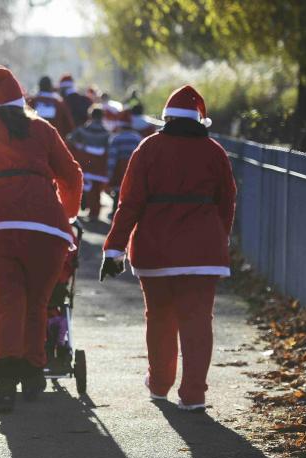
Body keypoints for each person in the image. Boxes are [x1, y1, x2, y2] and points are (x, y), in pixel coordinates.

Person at [100, 85, 237, 411]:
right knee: (198, 322)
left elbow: (129, 202)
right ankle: (194, 394)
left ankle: (160, 383)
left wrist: (114, 247)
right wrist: (221, 236)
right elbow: (227, 199)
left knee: (159, 319)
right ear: (199, 120)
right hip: (204, 250)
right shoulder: (214, 151)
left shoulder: (148, 148)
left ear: (166, 118)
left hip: (156, 250)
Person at [0, 66, 83, 414]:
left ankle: (4, 385)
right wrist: (68, 212)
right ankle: (33, 375)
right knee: (37, 303)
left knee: (5, 303)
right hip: (45, 227)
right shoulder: (43, 128)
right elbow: (72, 174)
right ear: (23, 101)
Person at [67, 106, 111, 221]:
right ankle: (94, 212)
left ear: (90, 115)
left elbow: (70, 138)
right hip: (100, 163)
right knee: (97, 189)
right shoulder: (107, 132)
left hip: (86, 161)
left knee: (86, 186)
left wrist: (81, 147)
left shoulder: (83, 129)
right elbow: (109, 147)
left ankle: (85, 208)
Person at [106, 109, 144, 219]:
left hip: (119, 168)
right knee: (129, 191)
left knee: (118, 192)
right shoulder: (137, 138)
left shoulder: (116, 139)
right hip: (133, 167)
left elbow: (112, 158)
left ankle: (115, 212)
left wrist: (109, 174)